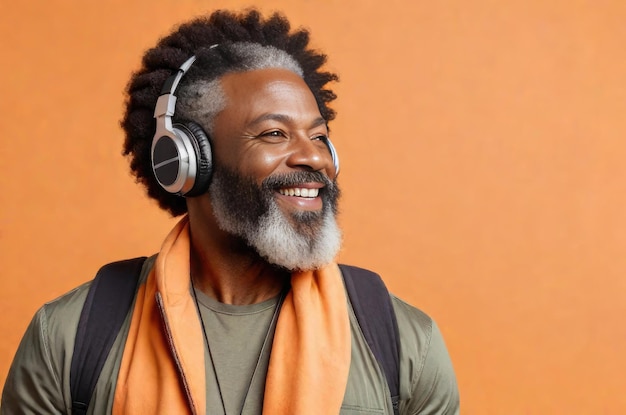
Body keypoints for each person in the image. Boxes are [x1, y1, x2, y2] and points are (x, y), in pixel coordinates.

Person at [1, 9, 459, 415]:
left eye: (318, 137)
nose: (316, 159)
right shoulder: (68, 338)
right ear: (186, 161)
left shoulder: (403, 344)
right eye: (275, 134)